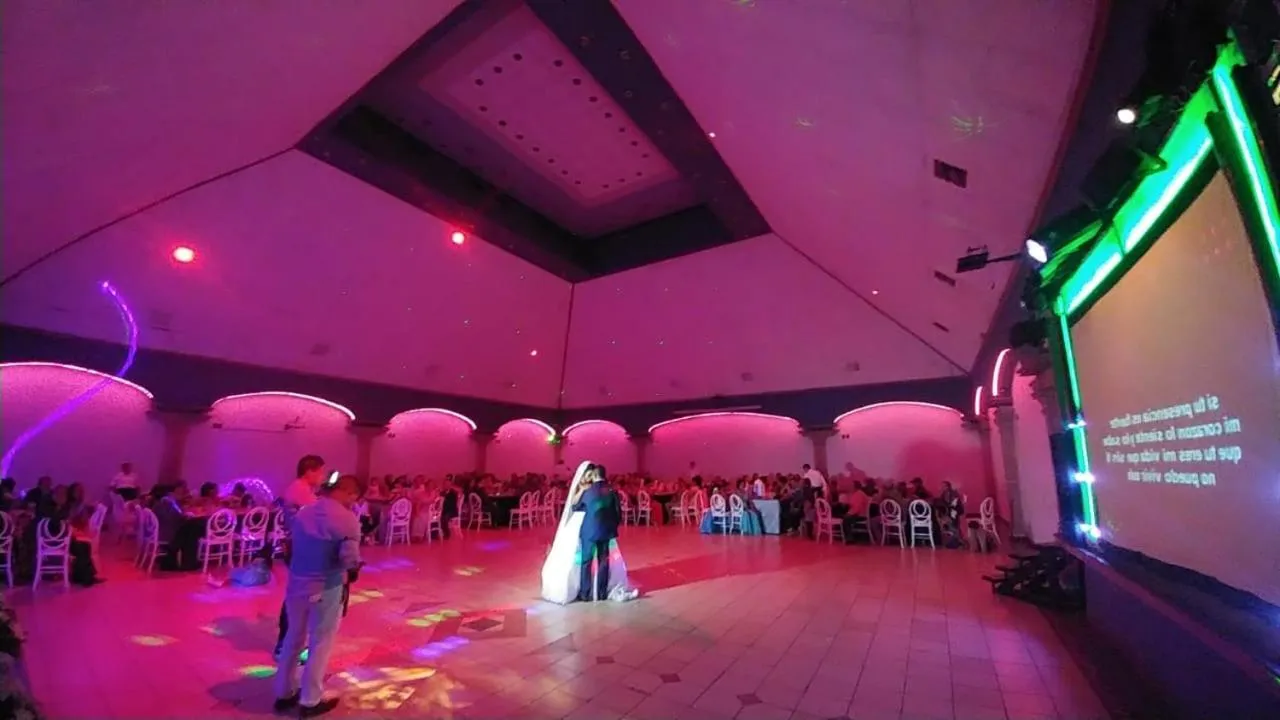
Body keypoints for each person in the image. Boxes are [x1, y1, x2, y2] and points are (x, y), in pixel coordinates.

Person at [273, 474, 363, 717]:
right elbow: (349, 559)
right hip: (326, 586)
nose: (354, 501)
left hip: (296, 585)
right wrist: (354, 568)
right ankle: (310, 699)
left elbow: (290, 547)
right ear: (346, 491)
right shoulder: (347, 519)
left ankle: (283, 692)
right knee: (320, 643)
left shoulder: (304, 513)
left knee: (293, 637)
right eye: (354, 496)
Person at [540, 462, 636, 604]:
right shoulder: (608, 490)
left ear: (595, 475)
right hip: (597, 528)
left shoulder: (589, 491)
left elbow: (577, 506)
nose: (590, 477)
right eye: (588, 474)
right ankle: (599, 592)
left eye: (592, 474)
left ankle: (586, 593)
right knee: (600, 560)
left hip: (588, 529)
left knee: (587, 561)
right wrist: (612, 527)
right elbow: (617, 514)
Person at [273, 455, 327, 663]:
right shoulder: (299, 489)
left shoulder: (304, 490)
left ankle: (291, 644)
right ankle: (284, 646)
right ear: (309, 471)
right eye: (320, 471)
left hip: (301, 548)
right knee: (297, 597)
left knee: (301, 596)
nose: (322, 476)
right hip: (299, 549)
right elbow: (318, 516)